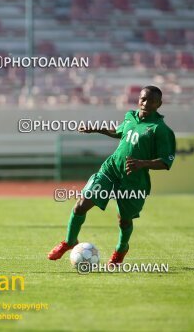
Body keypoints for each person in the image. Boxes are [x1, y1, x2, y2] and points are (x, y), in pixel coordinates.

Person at [48, 86, 176, 264]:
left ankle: (121, 248)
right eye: (143, 99)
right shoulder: (130, 117)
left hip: (134, 178)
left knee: (124, 220)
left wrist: (142, 163)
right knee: (81, 205)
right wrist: (97, 129)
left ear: (159, 104)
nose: (146, 103)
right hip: (111, 169)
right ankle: (69, 241)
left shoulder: (160, 129)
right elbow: (118, 132)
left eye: (151, 100)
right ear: (139, 99)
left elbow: (165, 162)